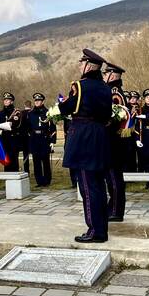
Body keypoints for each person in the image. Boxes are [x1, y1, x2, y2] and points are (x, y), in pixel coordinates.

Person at [58, 49, 112, 243]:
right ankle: (101, 229)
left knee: (88, 188)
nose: (80, 66)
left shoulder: (80, 86)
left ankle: (95, 231)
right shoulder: (106, 88)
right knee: (98, 185)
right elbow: (107, 115)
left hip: (84, 137)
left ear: (89, 66)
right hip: (100, 136)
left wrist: (61, 105)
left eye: (82, 63)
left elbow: (67, 107)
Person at [103, 62, 128, 221]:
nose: (104, 76)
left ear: (112, 75)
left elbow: (115, 116)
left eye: (106, 74)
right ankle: (113, 207)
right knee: (111, 176)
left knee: (114, 177)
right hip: (112, 140)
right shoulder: (114, 91)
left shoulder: (114, 93)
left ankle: (116, 210)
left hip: (113, 140)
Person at [27, 93, 56, 186]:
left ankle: (47, 180)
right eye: (35, 100)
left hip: (44, 139)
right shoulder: (30, 114)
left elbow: (52, 128)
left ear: (42, 101)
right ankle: (39, 181)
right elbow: (28, 128)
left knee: (45, 160)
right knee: (36, 161)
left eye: (39, 100)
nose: (37, 102)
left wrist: (52, 141)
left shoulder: (48, 113)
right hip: (35, 139)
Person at [0, 92, 23, 172]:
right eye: (4, 100)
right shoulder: (1, 113)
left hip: (13, 138)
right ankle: (7, 178)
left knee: (13, 159)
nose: (5, 101)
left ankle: (15, 178)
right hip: (5, 138)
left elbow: (12, 125)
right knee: (6, 159)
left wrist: (0, 125)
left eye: (8, 100)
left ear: (11, 101)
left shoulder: (16, 112)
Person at [124, 90, 141, 173]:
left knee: (135, 153)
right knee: (127, 153)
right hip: (127, 133)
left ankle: (134, 171)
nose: (133, 100)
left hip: (136, 132)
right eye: (131, 98)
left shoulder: (139, 107)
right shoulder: (125, 107)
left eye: (135, 98)